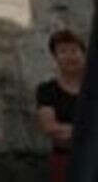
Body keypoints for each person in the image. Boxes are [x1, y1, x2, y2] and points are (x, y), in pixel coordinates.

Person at [37, 28, 86, 181]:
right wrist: (88, 131)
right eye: (63, 51)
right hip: (65, 161)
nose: (70, 56)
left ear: (83, 54)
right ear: (55, 57)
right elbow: (50, 128)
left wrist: (69, 130)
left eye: (74, 50)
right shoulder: (47, 90)